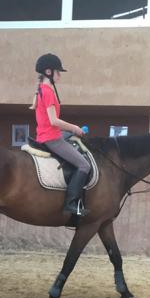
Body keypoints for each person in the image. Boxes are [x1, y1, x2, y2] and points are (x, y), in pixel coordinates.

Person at [30, 53, 90, 216]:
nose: (59, 75)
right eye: (58, 72)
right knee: (84, 165)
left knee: (71, 137)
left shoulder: (41, 89)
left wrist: (69, 131)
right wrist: (74, 128)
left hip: (46, 134)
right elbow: (53, 120)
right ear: (49, 72)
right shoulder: (48, 92)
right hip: (51, 138)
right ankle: (71, 203)